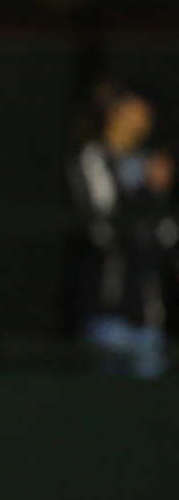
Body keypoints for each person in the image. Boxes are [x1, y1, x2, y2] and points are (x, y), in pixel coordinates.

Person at [67, 84, 175, 379]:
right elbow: (104, 229)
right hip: (106, 316)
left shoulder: (152, 164)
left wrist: (156, 192)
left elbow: (165, 238)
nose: (141, 120)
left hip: (149, 319)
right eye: (135, 111)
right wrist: (149, 191)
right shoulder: (92, 159)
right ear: (115, 113)